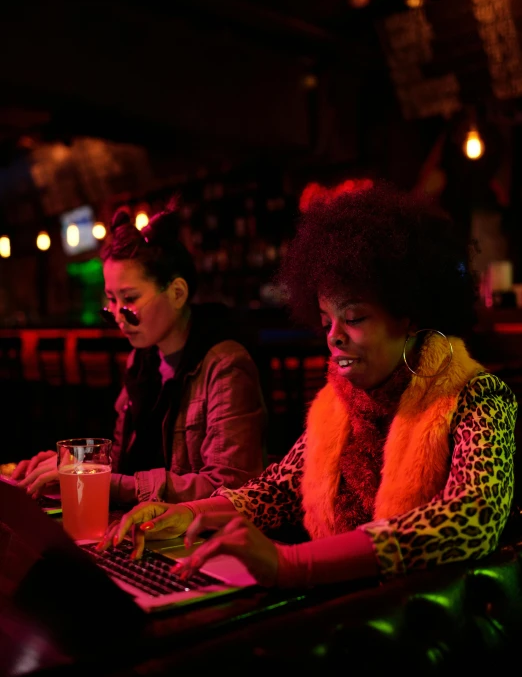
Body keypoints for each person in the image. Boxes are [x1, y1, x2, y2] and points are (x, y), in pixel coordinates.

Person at [98, 180, 518, 589]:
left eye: (353, 319)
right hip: (341, 616)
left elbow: (470, 520)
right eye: (325, 320)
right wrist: (187, 514)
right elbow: (274, 489)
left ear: (407, 315)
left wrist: (291, 564)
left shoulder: (477, 398)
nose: (333, 336)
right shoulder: (338, 404)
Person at [12, 198, 266, 507]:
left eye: (129, 299)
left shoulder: (226, 366)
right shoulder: (143, 359)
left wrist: (96, 478)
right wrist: (69, 464)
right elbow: (125, 467)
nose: (118, 316)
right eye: (111, 301)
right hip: (143, 527)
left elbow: (231, 489)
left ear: (177, 293)